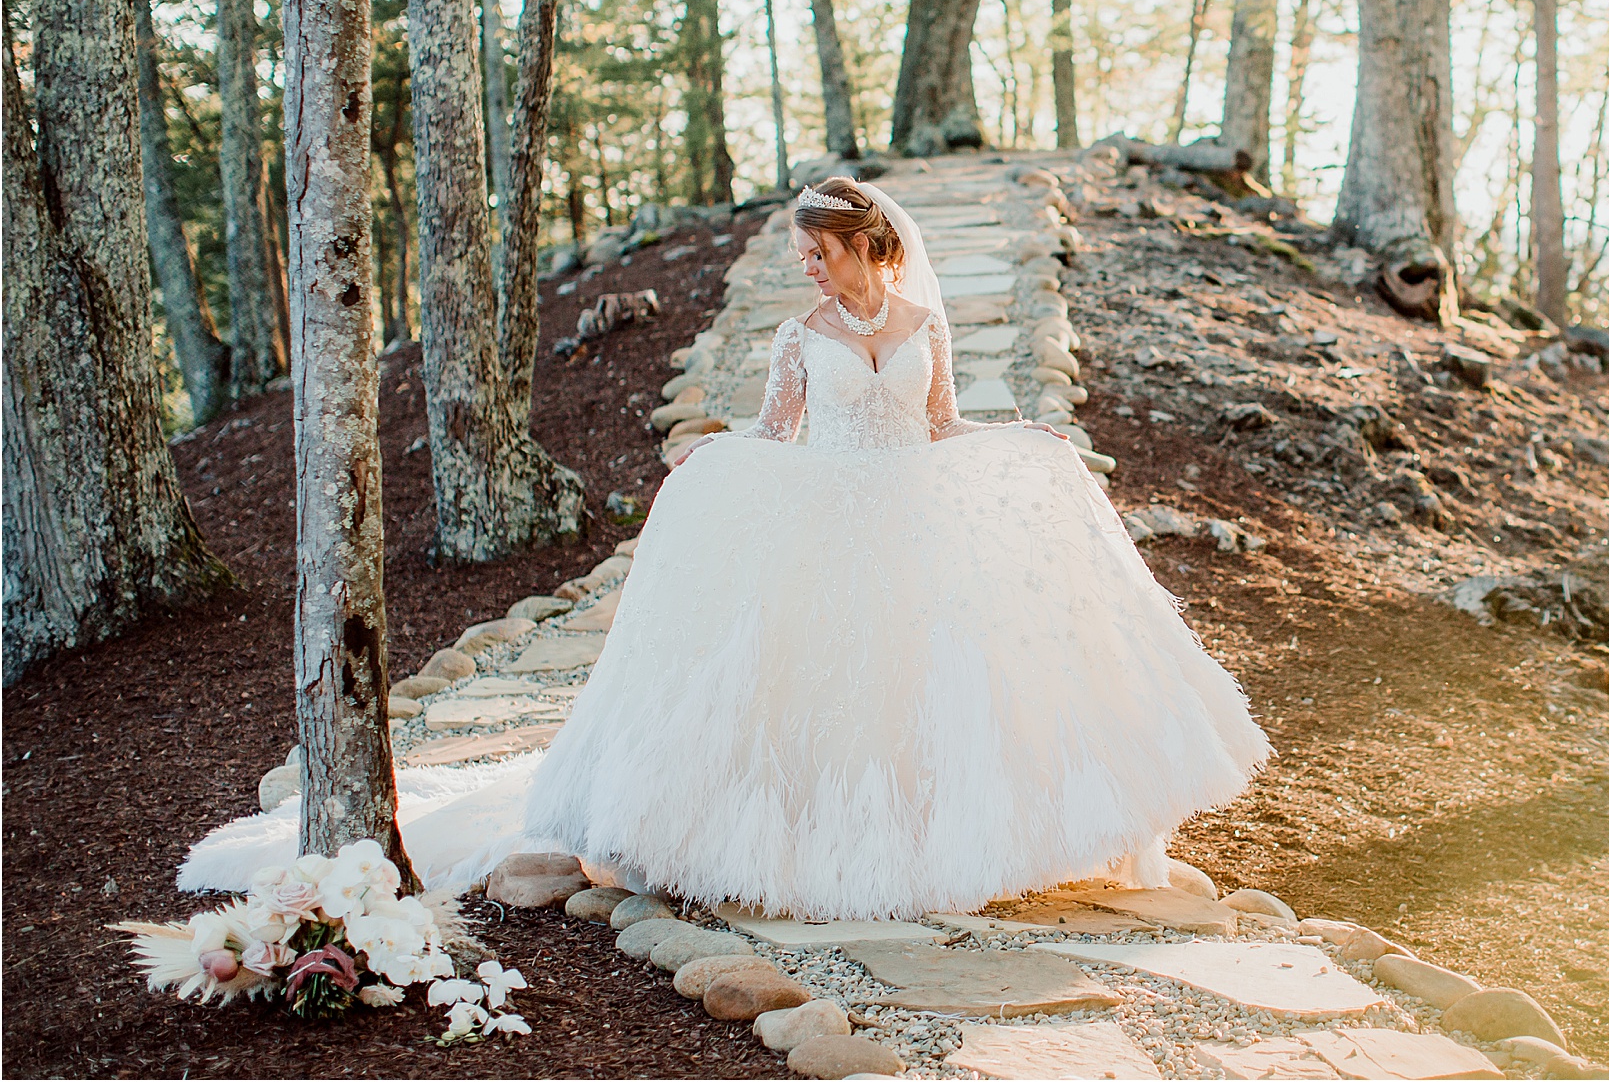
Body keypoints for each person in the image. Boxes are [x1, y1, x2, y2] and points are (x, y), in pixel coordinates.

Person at [183, 180, 1268, 921]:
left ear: (866, 249)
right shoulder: (798, 339)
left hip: (911, 518)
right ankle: (802, 838)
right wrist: (712, 462)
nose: (806, 263)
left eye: (818, 248)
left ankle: (931, 837)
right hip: (827, 517)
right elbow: (773, 435)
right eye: (800, 251)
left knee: (919, 680)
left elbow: (942, 426)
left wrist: (1018, 436)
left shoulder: (924, 328)